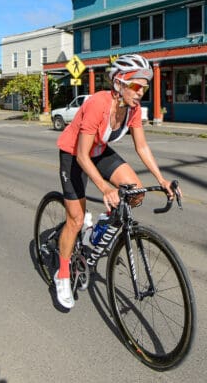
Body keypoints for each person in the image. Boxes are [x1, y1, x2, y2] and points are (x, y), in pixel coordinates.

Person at [54, 54, 176, 309]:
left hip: (98, 150)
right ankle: (63, 273)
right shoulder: (98, 104)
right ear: (120, 83)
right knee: (75, 219)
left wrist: (161, 179)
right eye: (137, 86)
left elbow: (142, 146)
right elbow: (81, 155)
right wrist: (105, 187)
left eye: (144, 86)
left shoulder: (132, 109)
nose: (141, 91)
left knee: (135, 192)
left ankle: (96, 231)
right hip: (75, 152)